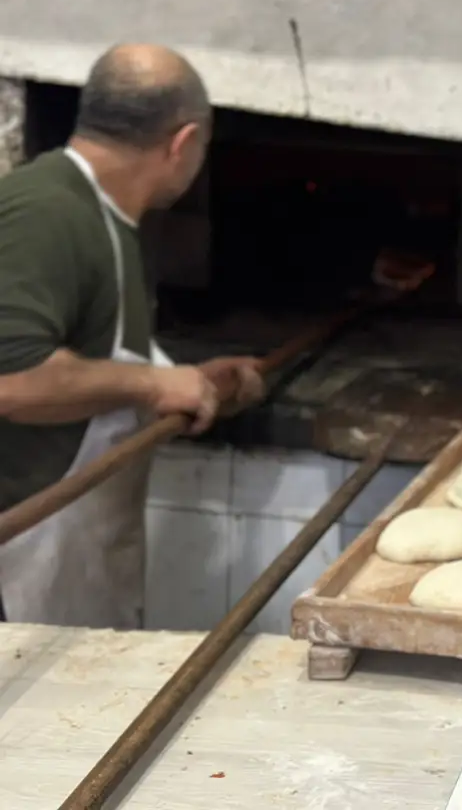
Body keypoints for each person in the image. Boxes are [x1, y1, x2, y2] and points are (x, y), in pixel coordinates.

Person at [0, 44, 264, 628]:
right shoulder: (46, 213)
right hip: (20, 555)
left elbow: (96, 363)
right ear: (183, 141)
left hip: (71, 554)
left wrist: (191, 382)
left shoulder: (108, 217)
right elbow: (12, 381)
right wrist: (149, 382)